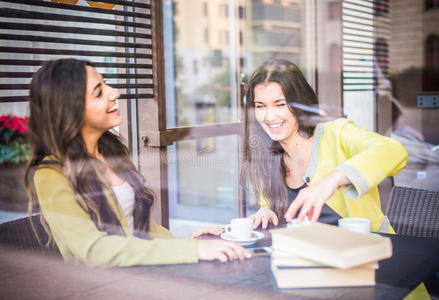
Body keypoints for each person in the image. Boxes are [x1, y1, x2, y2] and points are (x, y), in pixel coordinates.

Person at [24, 58, 251, 266]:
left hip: (141, 275)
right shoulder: (51, 175)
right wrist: (191, 250)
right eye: (99, 92)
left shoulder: (110, 150)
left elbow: (140, 227)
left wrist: (187, 242)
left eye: (106, 84)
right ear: (70, 110)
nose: (115, 93)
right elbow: (93, 250)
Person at [241, 59, 408, 233]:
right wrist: (266, 210)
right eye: (260, 106)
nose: (269, 116)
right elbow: (267, 202)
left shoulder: (336, 133)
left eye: (280, 104)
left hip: (366, 251)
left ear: (300, 102)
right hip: (310, 255)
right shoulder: (269, 155)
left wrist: (332, 180)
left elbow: (393, 150)